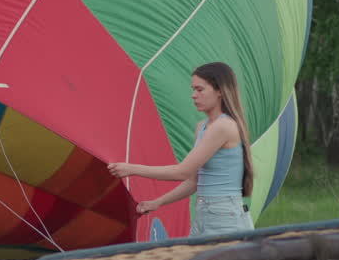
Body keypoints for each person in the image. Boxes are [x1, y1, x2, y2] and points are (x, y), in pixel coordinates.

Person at [109, 62, 255, 237]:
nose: (194, 95)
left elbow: (182, 171)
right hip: (206, 214)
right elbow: (193, 181)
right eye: (193, 89)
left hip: (224, 217)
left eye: (200, 90)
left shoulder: (223, 126)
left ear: (220, 91)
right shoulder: (202, 127)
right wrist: (158, 202)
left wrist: (132, 169)